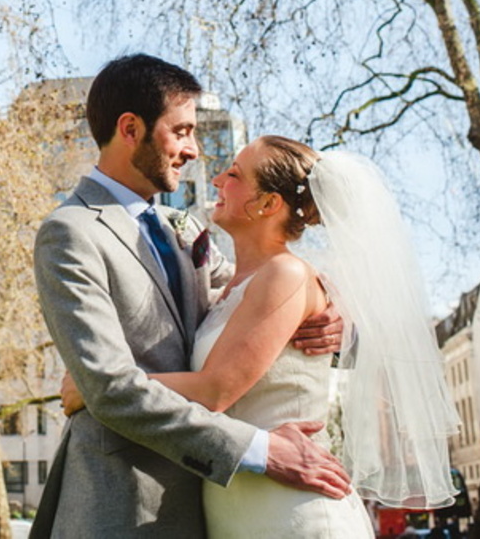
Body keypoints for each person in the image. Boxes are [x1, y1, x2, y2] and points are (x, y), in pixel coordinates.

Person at [63, 134, 459, 536]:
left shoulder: (285, 274)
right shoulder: (232, 286)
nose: (217, 179)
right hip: (236, 503)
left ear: (268, 204)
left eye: (234, 174)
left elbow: (216, 389)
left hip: (288, 506)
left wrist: (95, 387)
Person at [31, 56, 350, 538]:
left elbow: (257, 299)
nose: (195, 150)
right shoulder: (70, 233)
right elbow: (112, 390)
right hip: (126, 506)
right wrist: (262, 450)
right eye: (181, 131)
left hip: (220, 507)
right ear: (131, 128)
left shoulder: (185, 231)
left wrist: (335, 317)